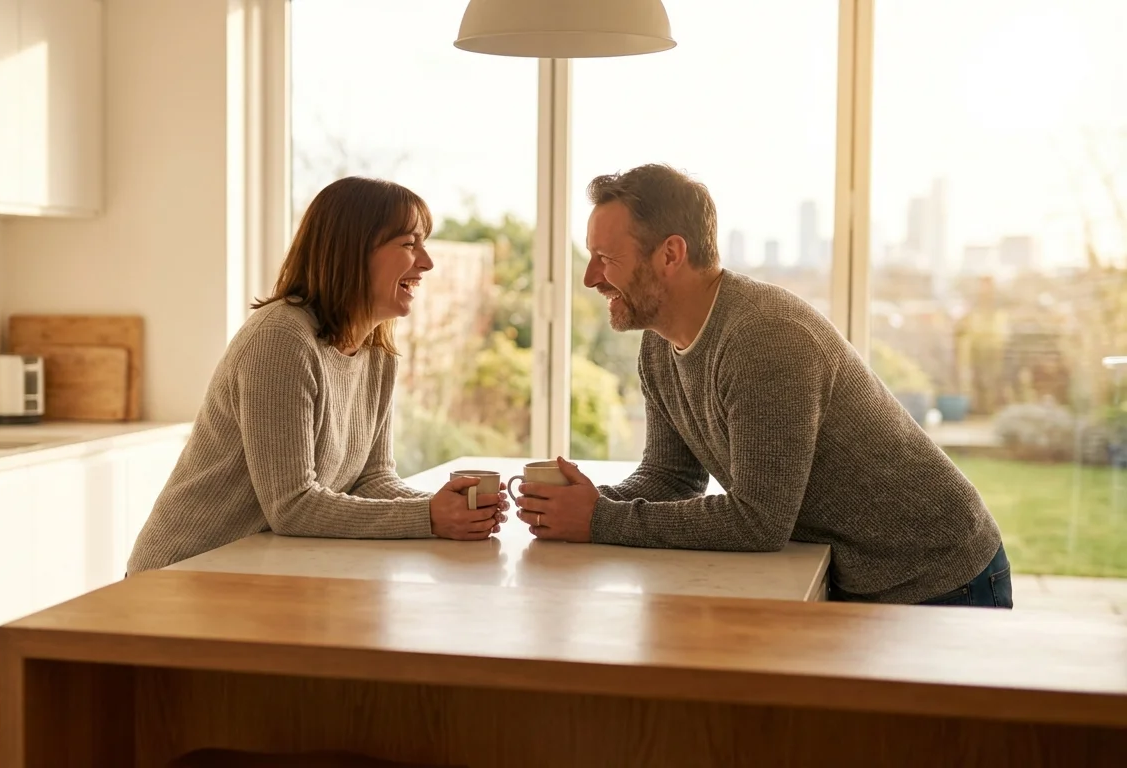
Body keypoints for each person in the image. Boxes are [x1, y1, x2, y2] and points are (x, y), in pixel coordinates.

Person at [513, 163, 1010, 608]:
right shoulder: (659, 345)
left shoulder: (764, 338)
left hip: (941, 581)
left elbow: (757, 520)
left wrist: (599, 520)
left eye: (605, 257)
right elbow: (670, 477)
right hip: (857, 578)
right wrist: (584, 504)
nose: (589, 278)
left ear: (670, 254)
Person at [127, 177, 508, 573]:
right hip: (183, 576)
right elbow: (292, 506)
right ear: (353, 251)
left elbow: (371, 479)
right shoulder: (281, 338)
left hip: (259, 571)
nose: (427, 262)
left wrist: (447, 510)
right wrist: (429, 516)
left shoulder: (377, 352)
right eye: (409, 244)